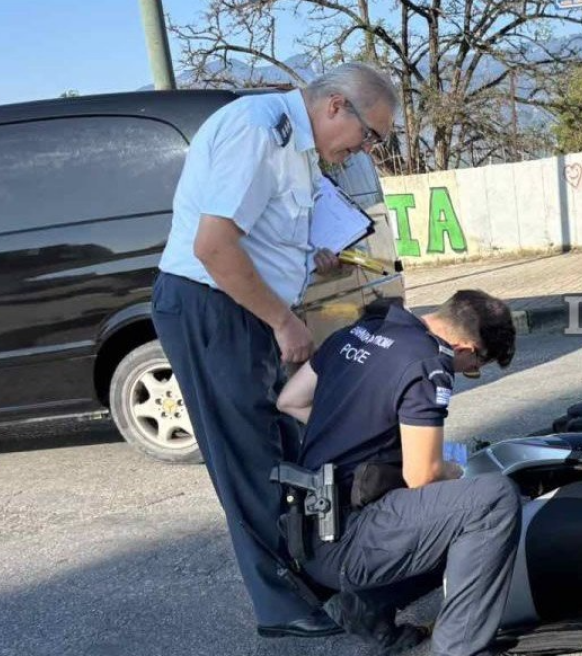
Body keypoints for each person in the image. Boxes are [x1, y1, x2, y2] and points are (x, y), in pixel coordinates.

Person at [151, 62, 398, 637]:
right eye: (369, 135)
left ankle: (306, 577)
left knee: (280, 444)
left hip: (241, 309)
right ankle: (280, 608)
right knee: (247, 457)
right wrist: (285, 323)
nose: (365, 150)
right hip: (210, 306)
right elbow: (214, 247)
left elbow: (265, 231)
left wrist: (311, 253)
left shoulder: (301, 148)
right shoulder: (258, 130)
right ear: (336, 105)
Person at [275, 291, 521, 656]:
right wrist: (458, 469)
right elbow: (424, 475)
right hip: (347, 543)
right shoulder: (430, 363)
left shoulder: (356, 333)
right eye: (474, 366)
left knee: (446, 513)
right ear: (467, 348)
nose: (468, 372)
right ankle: (460, 649)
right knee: (494, 501)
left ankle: (367, 606)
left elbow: (290, 400)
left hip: (307, 533)